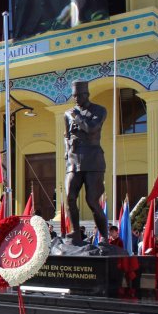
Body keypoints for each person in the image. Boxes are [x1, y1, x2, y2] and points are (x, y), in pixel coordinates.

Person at [64, 81, 108, 244]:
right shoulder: (67, 113)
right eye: (74, 95)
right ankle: (75, 232)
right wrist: (67, 154)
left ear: (86, 95)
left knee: (92, 201)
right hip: (74, 160)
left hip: (93, 159)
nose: (76, 98)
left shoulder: (99, 110)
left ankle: (103, 236)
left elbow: (91, 128)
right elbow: (66, 136)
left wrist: (76, 116)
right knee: (69, 197)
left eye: (79, 95)